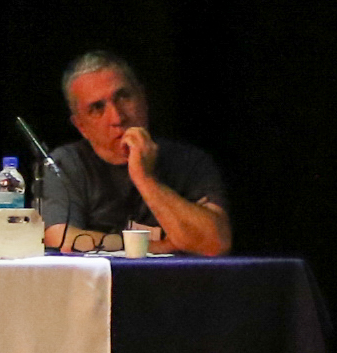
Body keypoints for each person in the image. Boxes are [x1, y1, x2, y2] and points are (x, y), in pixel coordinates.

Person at [38, 53, 230, 255]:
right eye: (97, 107)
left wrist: (145, 178)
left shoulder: (190, 161)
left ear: (143, 98)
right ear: (81, 126)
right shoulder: (65, 164)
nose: (117, 117)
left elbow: (215, 244)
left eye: (123, 97)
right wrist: (156, 246)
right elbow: (60, 238)